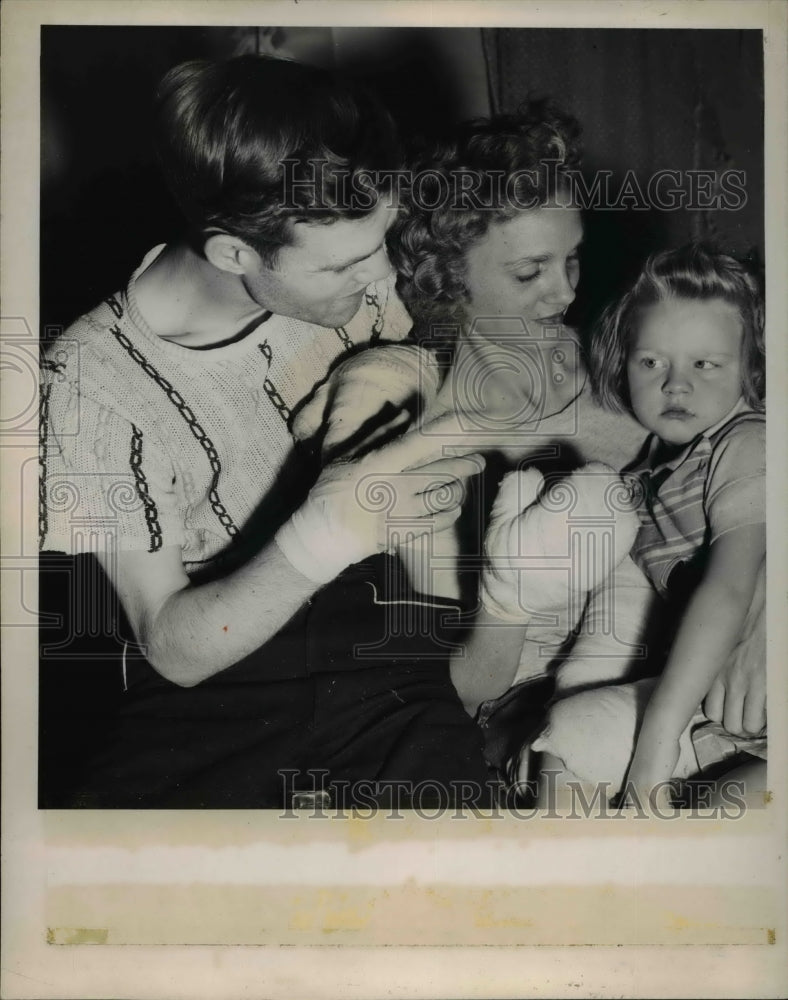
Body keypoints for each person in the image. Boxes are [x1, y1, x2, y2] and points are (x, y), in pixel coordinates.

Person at [39, 55, 489, 808]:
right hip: (218, 686)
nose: (381, 278)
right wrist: (329, 531)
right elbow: (173, 648)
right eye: (344, 264)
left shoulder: (350, 272)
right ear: (234, 253)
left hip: (382, 659)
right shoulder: (86, 388)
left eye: (383, 239)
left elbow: (496, 356)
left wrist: (412, 364)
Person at [531, 245, 766, 805]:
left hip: (751, 685)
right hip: (718, 707)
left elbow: (730, 586)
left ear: (751, 367)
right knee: (568, 737)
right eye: (651, 361)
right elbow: (612, 628)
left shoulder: (747, 442)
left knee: (725, 817)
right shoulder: (642, 486)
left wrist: (652, 754)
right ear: (622, 361)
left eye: (704, 364)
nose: (675, 385)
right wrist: (552, 727)